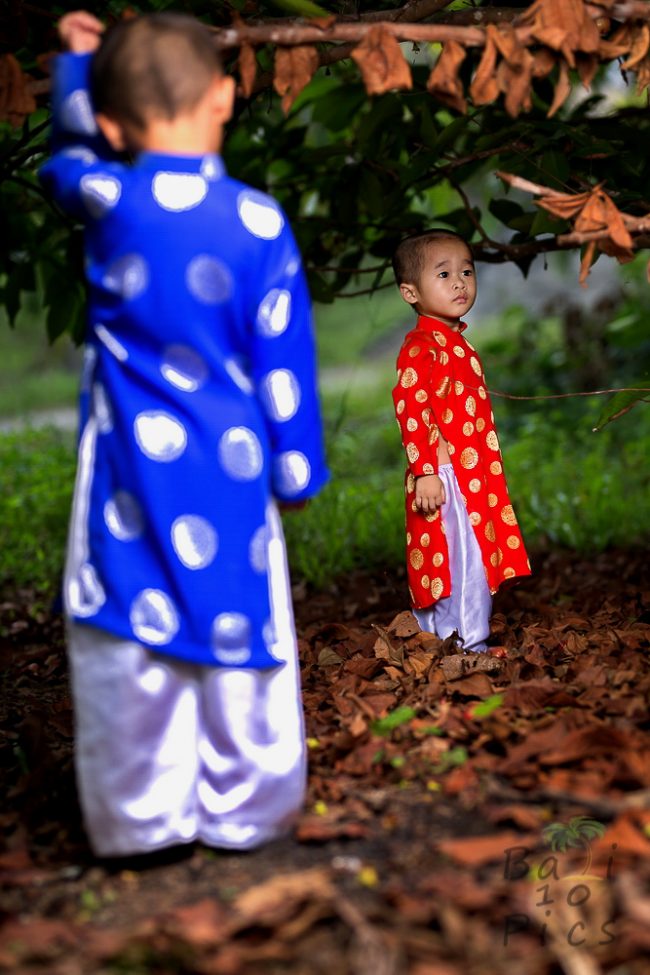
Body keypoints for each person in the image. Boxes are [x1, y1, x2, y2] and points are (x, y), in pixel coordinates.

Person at [39, 10, 329, 857]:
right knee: (241, 625)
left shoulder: (107, 201)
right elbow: (283, 362)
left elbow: (67, 162)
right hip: (231, 476)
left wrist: (73, 71)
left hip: (128, 472)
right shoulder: (260, 224)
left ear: (115, 122)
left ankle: (142, 821)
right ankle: (247, 810)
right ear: (226, 96)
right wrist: (296, 469)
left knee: (130, 625)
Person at [391, 230, 530, 653]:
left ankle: (439, 638)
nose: (459, 282)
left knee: (463, 555)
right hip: (447, 475)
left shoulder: (456, 344)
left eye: (467, 271)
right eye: (445, 273)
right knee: (460, 559)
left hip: (473, 474)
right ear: (409, 292)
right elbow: (412, 411)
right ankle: (469, 643)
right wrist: (427, 472)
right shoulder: (420, 348)